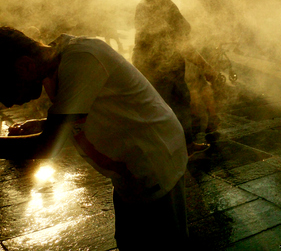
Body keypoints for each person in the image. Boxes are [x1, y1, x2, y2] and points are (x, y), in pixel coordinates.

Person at [0, 26, 189, 250]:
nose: (8, 103)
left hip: (152, 159)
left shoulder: (82, 59)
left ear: (25, 65)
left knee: (160, 242)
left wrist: (49, 131)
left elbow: (48, 146)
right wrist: (44, 124)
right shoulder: (55, 65)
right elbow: (82, 111)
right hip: (128, 166)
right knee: (131, 241)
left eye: (2, 90)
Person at [132, 0, 217, 154]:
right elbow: (181, 44)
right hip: (161, 70)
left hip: (157, 67)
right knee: (167, 110)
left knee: (177, 105)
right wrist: (206, 66)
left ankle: (184, 145)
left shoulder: (151, 1)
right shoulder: (161, 6)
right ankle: (166, 152)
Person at [180, 0, 221, 140]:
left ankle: (203, 118)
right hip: (199, 41)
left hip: (201, 42)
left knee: (198, 83)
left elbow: (211, 18)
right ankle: (210, 118)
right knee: (200, 83)